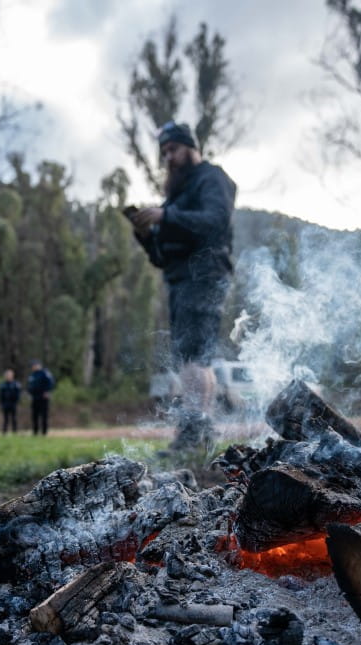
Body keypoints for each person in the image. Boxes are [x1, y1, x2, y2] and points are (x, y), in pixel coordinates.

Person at [127, 120, 236, 453]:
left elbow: (216, 222)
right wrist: (146, 236)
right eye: (164, 152)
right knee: (195, 356)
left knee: (193, 356)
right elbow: (162, 258)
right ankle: (201, 431)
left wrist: (165, 217)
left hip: (204, 274)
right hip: (179, 279)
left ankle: (192, 433)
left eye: (173, 149)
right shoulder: (175, 195)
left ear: (191, 147)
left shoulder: (211, 178)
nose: (168, 157)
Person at [26, 360, 55, 436]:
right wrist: (29, 393)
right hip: (35, 398)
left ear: (39, 365)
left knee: (44, 415)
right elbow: (29, 386)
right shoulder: (32, 375)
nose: (33, 367)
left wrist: (47, 391)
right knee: (34, 416)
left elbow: (51, 382)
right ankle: (35, 432)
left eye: (35, 365)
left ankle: (44, 432)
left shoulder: (45, 373)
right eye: (33, 366)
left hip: (43, 397)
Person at [0, 368, 22, 434]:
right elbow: (0, 396)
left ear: (12, 376)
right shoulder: (3, 385)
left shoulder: (16, 384)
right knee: (6, 419)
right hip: (5, 404)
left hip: (13, 404)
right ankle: (4, 432)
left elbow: (18, 394)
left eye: (9, 375)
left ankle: (15, 431)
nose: (8, 376)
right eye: (7, 375)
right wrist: (2, 403)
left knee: (14, 418)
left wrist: (16, 402)